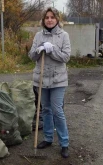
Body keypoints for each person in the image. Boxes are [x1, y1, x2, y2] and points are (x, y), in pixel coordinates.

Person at [28, 7, 71, 158]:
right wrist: (38, 50)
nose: (50, 20)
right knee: (45, 109)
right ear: (43, 20)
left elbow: (66, 57)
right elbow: (31, 57)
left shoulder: (63, 36)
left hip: (58, 79)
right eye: (47, 17)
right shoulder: (38, 36)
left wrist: (52, 49)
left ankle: (64, 143)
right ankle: (47, 138)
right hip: (41, 79)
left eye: (52, 17)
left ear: (57, 19)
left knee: (57, 110)